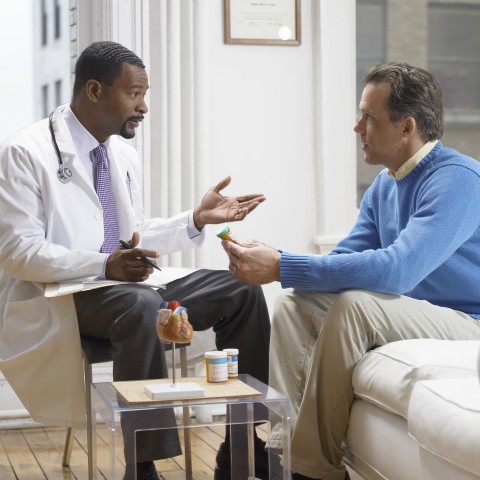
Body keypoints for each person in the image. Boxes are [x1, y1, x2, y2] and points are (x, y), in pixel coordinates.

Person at [0, 41, 278, 480]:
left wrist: (197, 218)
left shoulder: (121, 154)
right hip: (66, 295)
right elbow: (18, 252)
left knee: (241, 289)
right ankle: (142, 465)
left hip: (125, 288)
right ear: (94, 91)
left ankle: (243, 441)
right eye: (134, 94)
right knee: (143, 309)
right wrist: (104, 265)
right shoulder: (25, 152)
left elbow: (134, 235)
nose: (144, 106)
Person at [221, 62, 480, 480]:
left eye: (369, 117)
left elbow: (399, 270)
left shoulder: (458, 180)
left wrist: (282, 264)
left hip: (470, 321)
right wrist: (272, 260)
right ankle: (280, 452)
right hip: (416, 316)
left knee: (355, 307)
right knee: (295, 302)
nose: (356, 127)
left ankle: (312, 471)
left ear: (405, 126)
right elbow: (341, 261)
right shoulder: (385, 185)